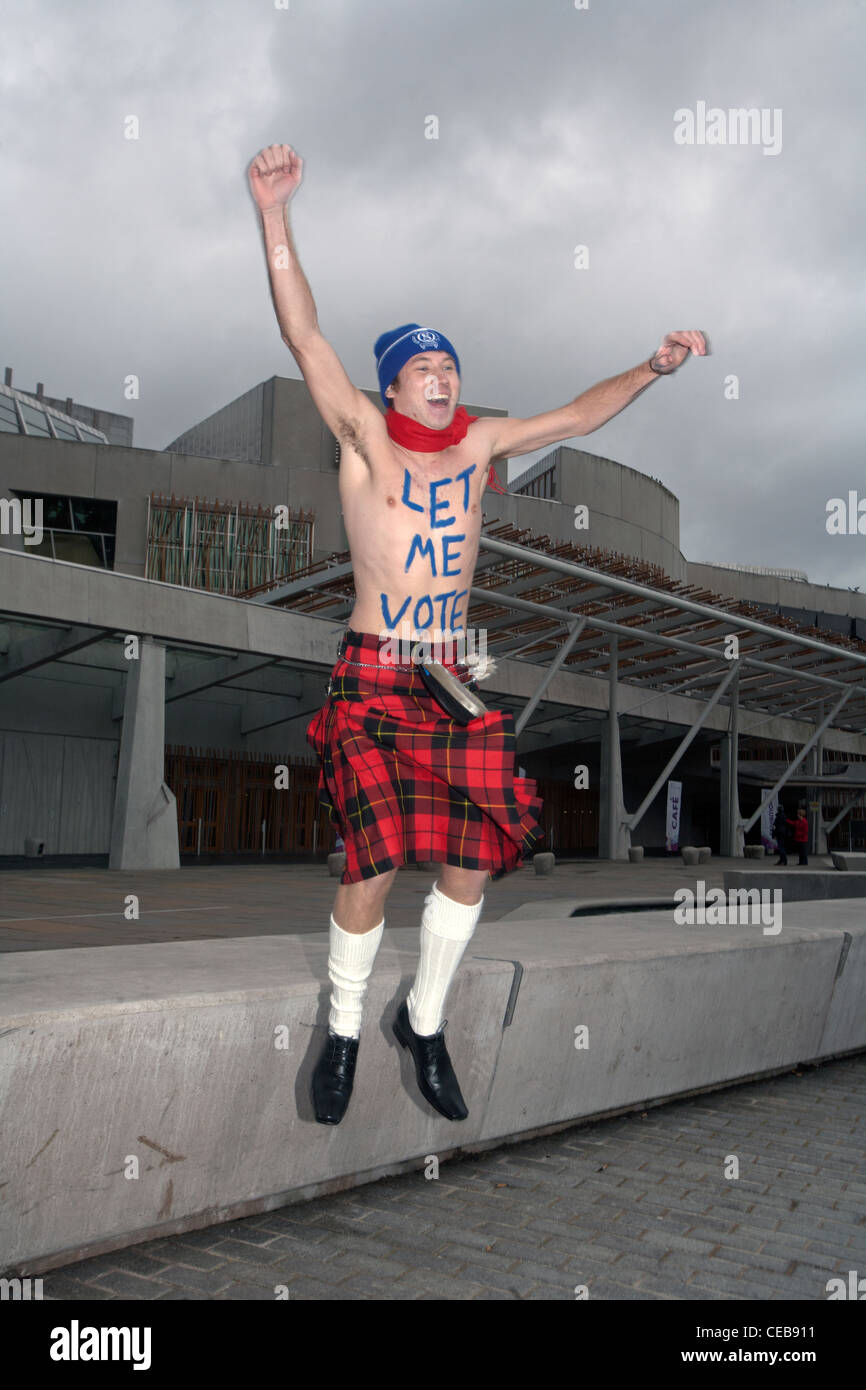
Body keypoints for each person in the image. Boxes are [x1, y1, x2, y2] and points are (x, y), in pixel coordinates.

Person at [248, 142, 707, 1125]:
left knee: (477, 846)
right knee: (372, 856)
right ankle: (340, 1028)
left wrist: (653, 367)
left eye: (451, 365)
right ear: (391, 384)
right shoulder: (363, 437)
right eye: (424, 367)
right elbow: (304, 336)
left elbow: (579, 414)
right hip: (377, 670)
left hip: (448, 676)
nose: (443, 378)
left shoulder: (477, 446)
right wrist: (276, 218)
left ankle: (421, 1018)